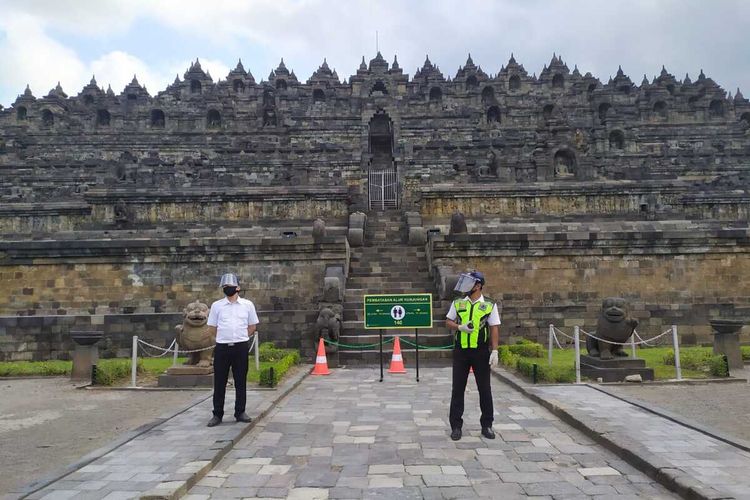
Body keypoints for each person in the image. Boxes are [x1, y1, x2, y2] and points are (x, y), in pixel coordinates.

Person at [445, 270, 500, 441]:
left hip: (480, 351)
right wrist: (459, 327)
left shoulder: (490, 304)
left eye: (470, 283)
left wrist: (495, 350)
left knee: (485, 389)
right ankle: (455, 426)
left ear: (478, 285)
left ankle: (487, 425)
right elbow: (448, 321)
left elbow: (494, 328)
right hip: (461, 351)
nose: (467, 286)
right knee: (458, 389)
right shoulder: (458, 303)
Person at [206, 273, 259, 427]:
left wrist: (240, 337)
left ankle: (240, 411)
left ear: (238, 288)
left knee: (240, 380)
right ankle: (217, 414)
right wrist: (225, 337)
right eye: (224, 287)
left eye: (229, 286)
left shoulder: (248, 305)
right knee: (220, 381)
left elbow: (252, 326)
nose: (227, 289)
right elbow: (212, 328)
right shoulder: (217, 306)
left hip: (240, 347)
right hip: (222, 347)